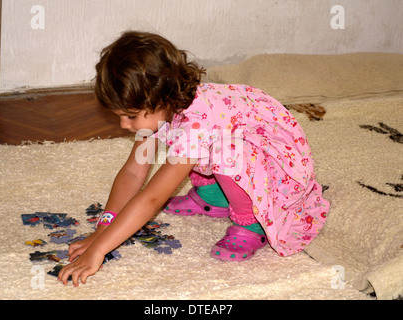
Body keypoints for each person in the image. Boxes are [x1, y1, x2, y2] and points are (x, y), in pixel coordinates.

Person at [58, 31, 330, 286]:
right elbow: (133, 173)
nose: (123, 125)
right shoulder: (159, 107)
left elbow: (153, 197)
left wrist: (100, 250)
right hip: (240, 147)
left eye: (130, 115)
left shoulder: (195, 122)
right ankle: (216, 197)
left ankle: (251, 221)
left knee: (223, 151)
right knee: (201, 149)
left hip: (279, 167)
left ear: (160, 98)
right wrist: (103, 229)